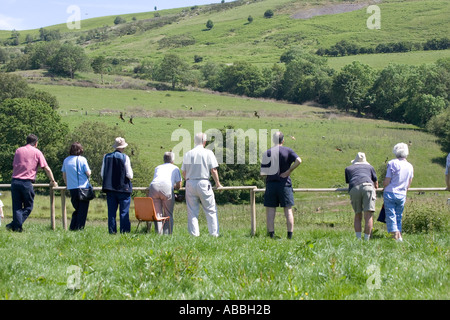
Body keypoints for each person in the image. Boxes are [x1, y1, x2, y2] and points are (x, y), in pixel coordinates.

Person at [6, 134, 58, 232]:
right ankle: (13, 225)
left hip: (15, 181)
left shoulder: (18, 150)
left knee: (16, 207)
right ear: (36, 143)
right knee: (28, 206)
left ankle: (16, 228)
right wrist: (52, 180)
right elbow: (46, 168)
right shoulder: (37, 152)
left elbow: (15, 165)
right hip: (26, 182)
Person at [260, 131, 302, 239]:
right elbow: (299, 160)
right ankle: (289, 236)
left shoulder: (267, 153)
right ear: (283, 140)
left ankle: (271, 235)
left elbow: (262, 173)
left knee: (270, 210)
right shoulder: (288, 151)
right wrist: (289, 170)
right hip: (285, 184)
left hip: (271, 184)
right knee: (288, 210)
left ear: (273, 140)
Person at [181, 132, 222, 237]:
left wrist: (188, 180)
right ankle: (214, 234)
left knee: (192, 211)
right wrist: (217, 183)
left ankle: (194, 234)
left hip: (190, 182)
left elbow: (184, 172)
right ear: (204, 141)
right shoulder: (208, 153)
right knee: (210, 210)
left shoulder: (188, 153)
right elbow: (213, 169)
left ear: (194, 141)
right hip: (203, 182)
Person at [101, 137, 133, 234]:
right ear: (123, 147)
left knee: (111, 213)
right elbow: (129, 175)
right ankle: (125, 232)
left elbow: (102, 174)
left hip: (110, 189)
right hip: (123, 189)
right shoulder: (125, 157)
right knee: (124, 212)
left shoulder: (106, 157)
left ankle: (112, 232)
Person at [383, 143, 414, 241]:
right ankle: (399, 235)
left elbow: (387, 180)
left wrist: (383, 184)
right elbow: (409, 183)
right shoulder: (410, 166)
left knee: (391, 215)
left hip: (390, 192)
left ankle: (395, 235)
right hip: (402, 193)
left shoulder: (392, 163)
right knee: (398, 215)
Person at [345, 152, 378, 241]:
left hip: (354, 187)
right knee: (368, 215)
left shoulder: (348, 168)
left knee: (358, 215)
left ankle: (358, 239)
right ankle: (367, 239)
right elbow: (376, 183)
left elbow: (349, 181)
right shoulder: (370, 167)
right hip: (368, 186)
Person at [147, 152, 182, 234]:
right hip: (167, 187)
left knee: (157, 213)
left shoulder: (158, 167)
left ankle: (158, 233)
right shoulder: (175, 168)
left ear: (164, 159)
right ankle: (167, 234)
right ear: (172, 160)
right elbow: (179, 184)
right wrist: (175, 187)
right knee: (168, 213)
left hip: (154, 187)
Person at [62, 142, 92, 231]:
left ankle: (73, 227)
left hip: (72, 188)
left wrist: (67, 184)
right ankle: (79, 228)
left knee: (77, 208)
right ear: (80, 150)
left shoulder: (66, 160)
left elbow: (64, 175)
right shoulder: (82, 159)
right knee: (83, 210)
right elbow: (88, 173)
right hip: (83, 188)